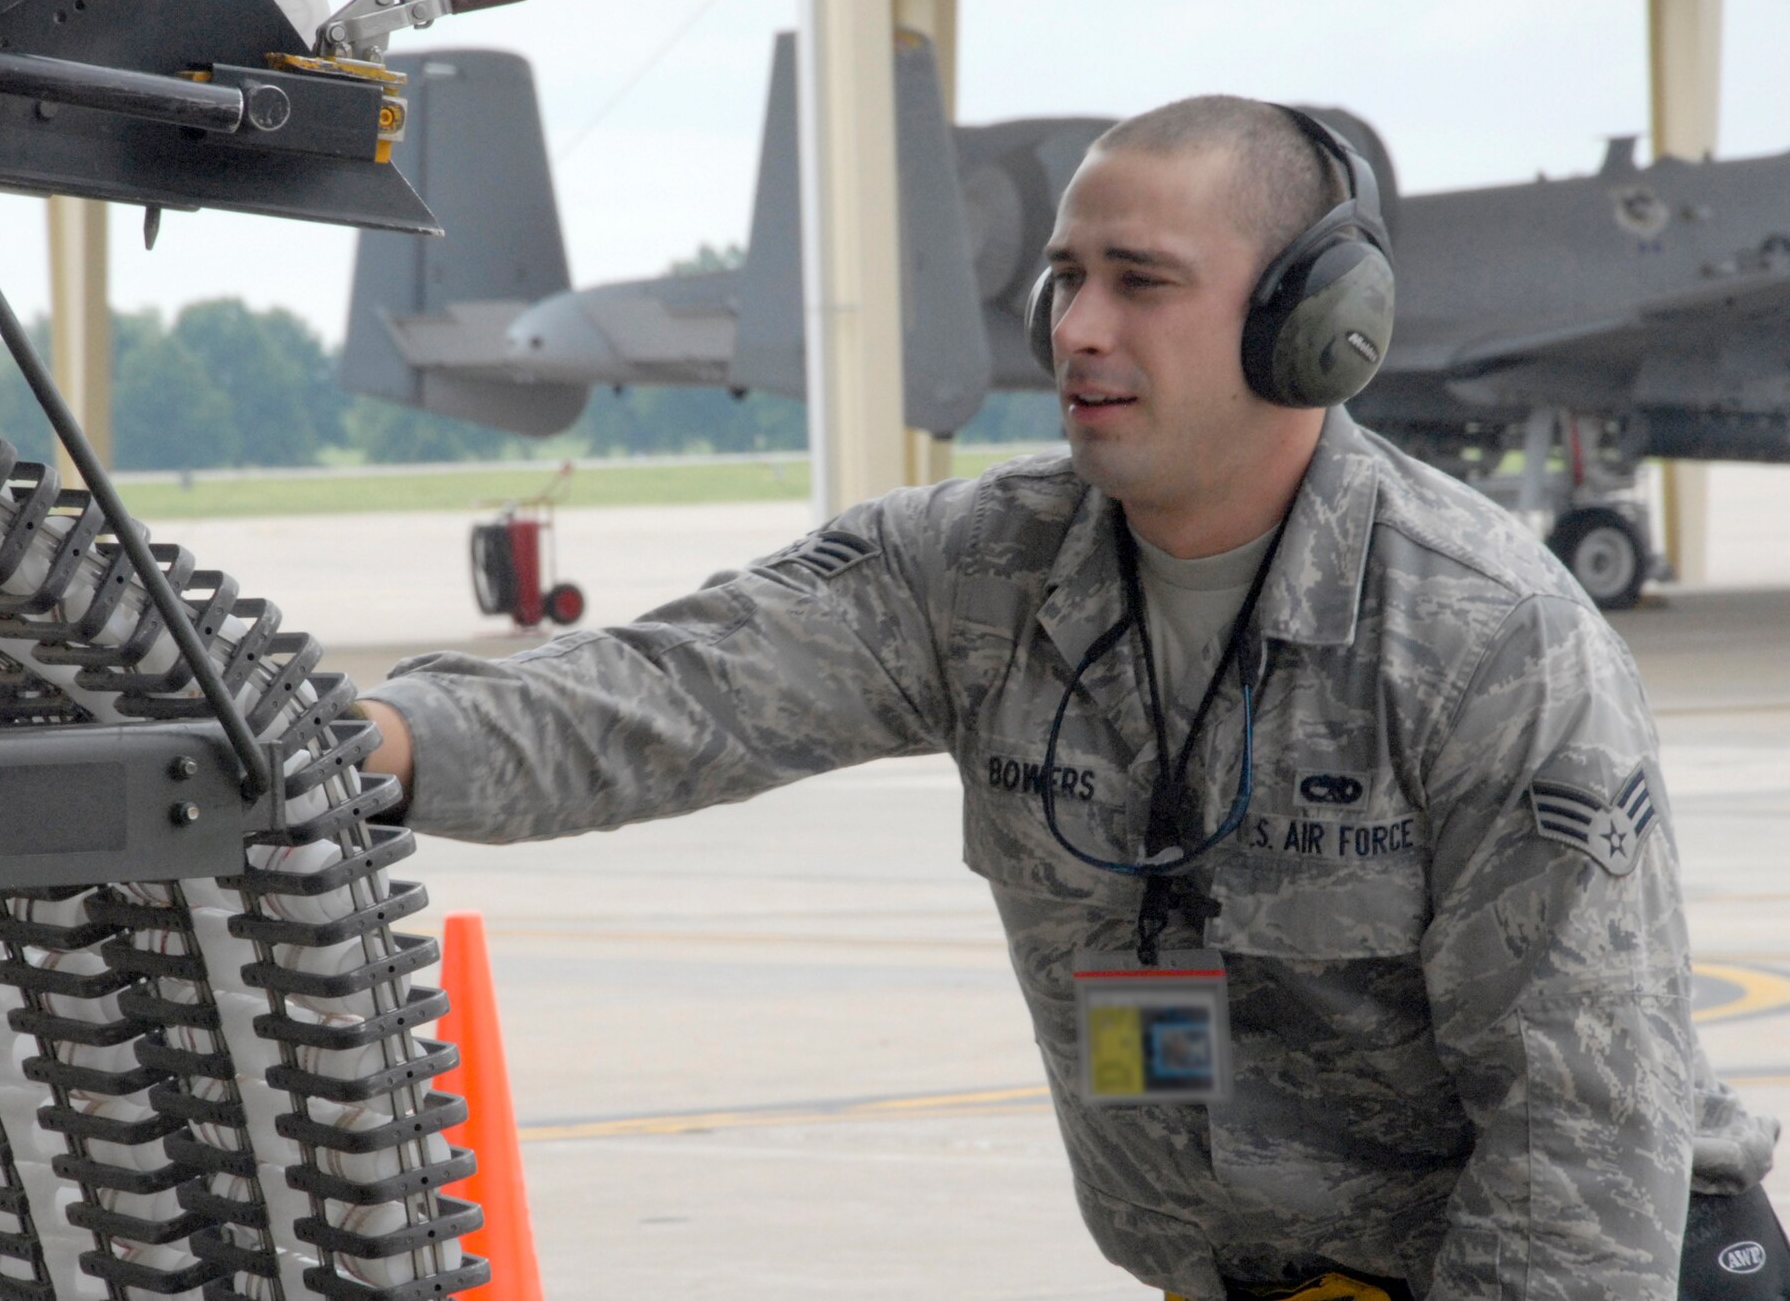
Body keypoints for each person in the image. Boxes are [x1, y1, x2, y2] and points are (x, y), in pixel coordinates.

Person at [356, 96, 1778, 1299]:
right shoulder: (971, 571)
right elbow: (671, 693)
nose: (1076, 329)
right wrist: (375, 746)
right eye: (1065, 278)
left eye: (1140, 281)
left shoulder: (1484, 640)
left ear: (1311, 322)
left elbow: (1581, 1142)